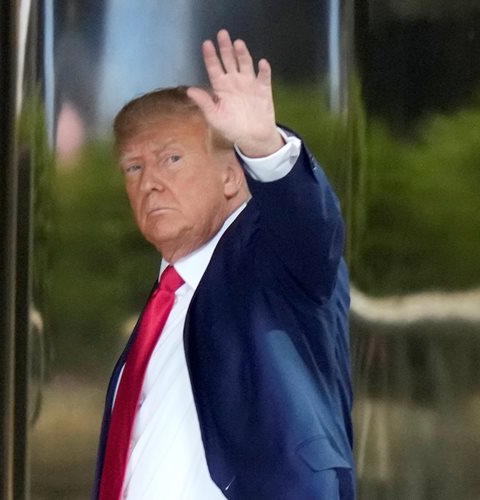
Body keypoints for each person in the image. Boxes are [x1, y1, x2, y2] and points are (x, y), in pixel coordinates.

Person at [92, 29, 355, 500]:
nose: (149, 182)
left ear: (232, 176)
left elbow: (311, 229)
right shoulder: (163, 306)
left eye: (171, 158)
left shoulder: (271, 263)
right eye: (134, 167)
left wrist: (263, 146)